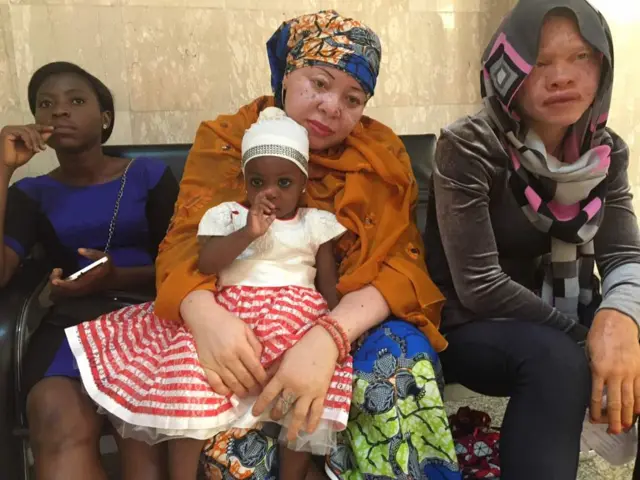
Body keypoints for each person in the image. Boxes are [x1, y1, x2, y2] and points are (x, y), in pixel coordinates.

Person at [73, 10, 462, 480]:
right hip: (242, 319)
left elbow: (400, 266)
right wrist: (208, 320)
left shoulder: (381, 155)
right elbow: (183, 247)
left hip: (351, 318)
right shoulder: (226, 141)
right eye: (319, 83)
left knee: (399, 361)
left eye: (353, 98)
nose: (333, 107)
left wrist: (327, 339)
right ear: (285, 75)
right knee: (228, 442)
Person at [66, 107, 351, 480]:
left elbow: (327, 288)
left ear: (302, 184)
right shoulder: (228, 216)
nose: (270, 192)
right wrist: (249, 232)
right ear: (244, 181)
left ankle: (291, 474)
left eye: (284, 183)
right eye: (257, 182)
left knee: (300, 403)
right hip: (230, 312)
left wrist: (333, 334)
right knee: (188, 377)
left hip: (296, 319)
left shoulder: (316, 223)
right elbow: (207, 263)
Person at [424, 1, 640, 479]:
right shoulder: (467, 145)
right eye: (540, 61)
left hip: (566, 314)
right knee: (558, 360)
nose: (562, 76)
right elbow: (478, 284)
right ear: (507, 70)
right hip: (471, 323)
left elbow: (624, 254)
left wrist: (621, 319)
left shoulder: (608, 152)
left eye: (580, 56)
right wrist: (590, 339)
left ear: (603, 65)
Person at [0, 61, 179, 479]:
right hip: (71, 325)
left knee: (140, 429)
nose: (59, 111)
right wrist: (3, 168)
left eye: (75, 101)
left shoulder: (149, 176)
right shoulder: (30, 193)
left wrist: (118, 276)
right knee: (54, 415)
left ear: (104, 119)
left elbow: (183, 262)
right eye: (46, 104)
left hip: (151, 316)